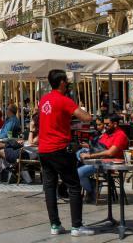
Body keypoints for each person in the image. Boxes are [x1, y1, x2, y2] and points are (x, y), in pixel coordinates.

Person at [38, 69, 94, 237]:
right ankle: (77, 226)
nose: (68, 83)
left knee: (49, 187)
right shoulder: (64, 100)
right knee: (74, 186)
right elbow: (86, 118)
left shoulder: (43, 100)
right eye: (66, 81)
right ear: (62, 82)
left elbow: (54, 120)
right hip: (59, 148)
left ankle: (55, 225)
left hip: (43, 149)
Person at [78, 114, 129, 203]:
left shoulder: (120, 135)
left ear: (115, 124)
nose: (105, 126)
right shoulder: (107, 133)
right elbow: (99, 147)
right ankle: (91, 185)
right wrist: (89, 147)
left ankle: (92, 188)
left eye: (107, 124)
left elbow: (110, 153)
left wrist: (90, 156)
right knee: (79, 152)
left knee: (78, 173)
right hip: (100, 161)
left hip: (110, 165)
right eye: (104, 124)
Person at [0, 114, 40, 184]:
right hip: (22, 151)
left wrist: (31, 130)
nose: (30, 122)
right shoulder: (36, 133)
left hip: (25, 154)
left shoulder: (39, 134)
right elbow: (30, 143)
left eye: (32, 121)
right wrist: (24, 142)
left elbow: (31, 144)